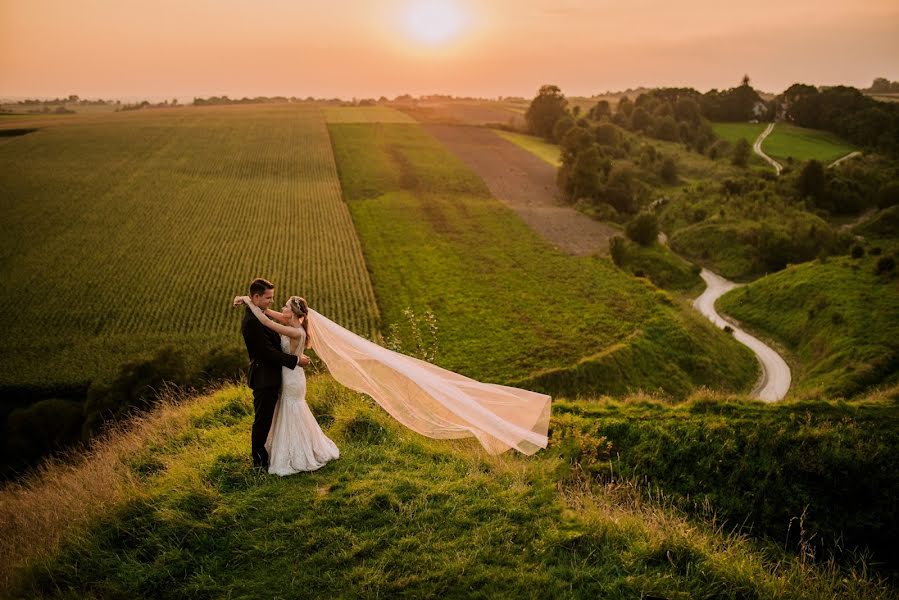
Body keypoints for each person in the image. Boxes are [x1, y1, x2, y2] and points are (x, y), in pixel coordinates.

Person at [236, 292, 340, 475]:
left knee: (292, 412)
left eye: (285, 307)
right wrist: (254, 303)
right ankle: (293, 447)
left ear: (291, 313)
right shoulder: (295, 324)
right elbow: (268, 313)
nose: (281, 308)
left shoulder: (294, 331)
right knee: (291, 411)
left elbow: (267, 322)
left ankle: (297, 452)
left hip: (291, 378)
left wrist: (247, 301)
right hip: (293, 374)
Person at [238, 278, 311, 472]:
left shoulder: (281, 323)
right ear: (256, 297)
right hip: (265, 379)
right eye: (268, 297)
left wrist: (247, 300)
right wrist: (296, 360)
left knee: (281, 416)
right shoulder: (252, 322)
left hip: (284, 378)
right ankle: (259, 463)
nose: (272, 301)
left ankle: (290, 452)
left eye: (274, 298)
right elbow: (267, 353)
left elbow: (268, 321)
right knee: (263, 420)